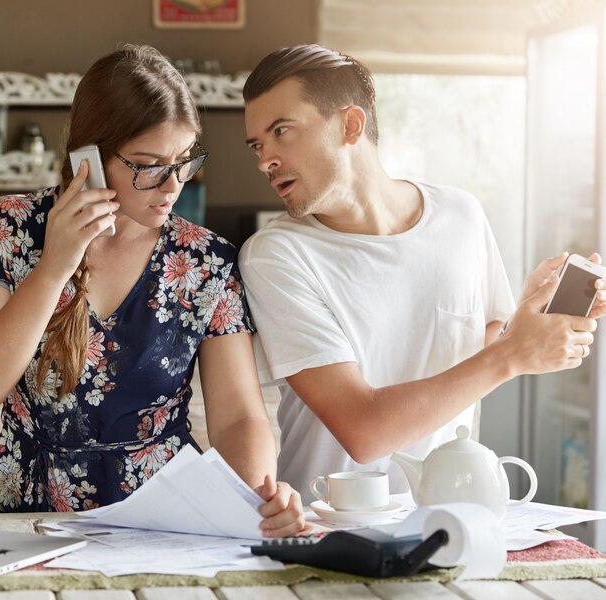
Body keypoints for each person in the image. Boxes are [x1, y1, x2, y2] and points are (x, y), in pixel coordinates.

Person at [0, 44, 305, 536]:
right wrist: (54, 268)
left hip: (165, 520)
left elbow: (239, 416)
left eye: (184, 160)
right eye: (149, 164)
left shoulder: (206, 261)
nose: (172, 184)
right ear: (88, 157)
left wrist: (255, 495)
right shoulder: (10, 228)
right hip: (24, 516)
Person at [237, 44, 606, 496]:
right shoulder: (276, 257)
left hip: (453, 510)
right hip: (327, 529)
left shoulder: (461, 215)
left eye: (282, 132)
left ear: (351, 125)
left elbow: (481, 352)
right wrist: (512, 354)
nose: (263, 160)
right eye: (258, 144)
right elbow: (363, 433)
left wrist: (527, 322)